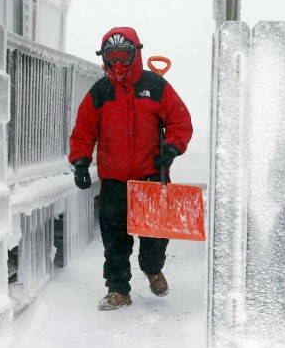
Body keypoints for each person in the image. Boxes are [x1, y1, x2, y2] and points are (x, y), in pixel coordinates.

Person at [68, 27, 193, 310]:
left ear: (135, 54)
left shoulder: (156, 86)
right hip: (113, 182)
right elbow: (84, 130)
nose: (118, 64)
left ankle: (152, 268)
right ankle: (118, 289)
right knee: (115, 240)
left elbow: (180, 121)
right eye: (112, 57)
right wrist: (80, 161)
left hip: (150, 178)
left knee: (154, 237)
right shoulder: (100, 92)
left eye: (124, 56)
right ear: (104, 58)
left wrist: (172, 147)